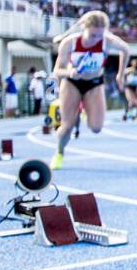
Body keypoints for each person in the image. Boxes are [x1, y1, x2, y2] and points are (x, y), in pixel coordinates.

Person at [47, 9, 131, 170]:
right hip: (72, 82)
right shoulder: (70, 42)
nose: (96, 39)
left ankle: (86, 110)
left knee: (96, 128)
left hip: (94, 83)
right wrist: (70, 72)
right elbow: (57, 71)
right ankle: (59, 152)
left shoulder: (107, 40)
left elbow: (126, 49)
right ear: (84, 29)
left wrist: (120, 75)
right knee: (67, 126)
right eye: (92, 36)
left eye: (99, 35)